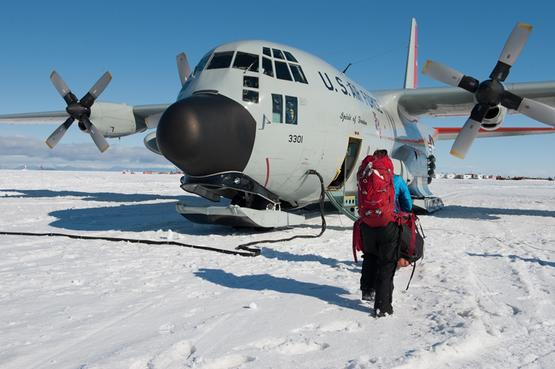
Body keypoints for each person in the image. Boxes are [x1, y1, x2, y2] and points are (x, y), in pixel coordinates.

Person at [358, 150, 412, 316]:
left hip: (367, 224)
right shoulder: (396, 179)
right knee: (387, 264)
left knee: (369, 256)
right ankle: (383, 306)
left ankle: (367, 290)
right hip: (388, 226)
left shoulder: (365, 174)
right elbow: (407, 203)